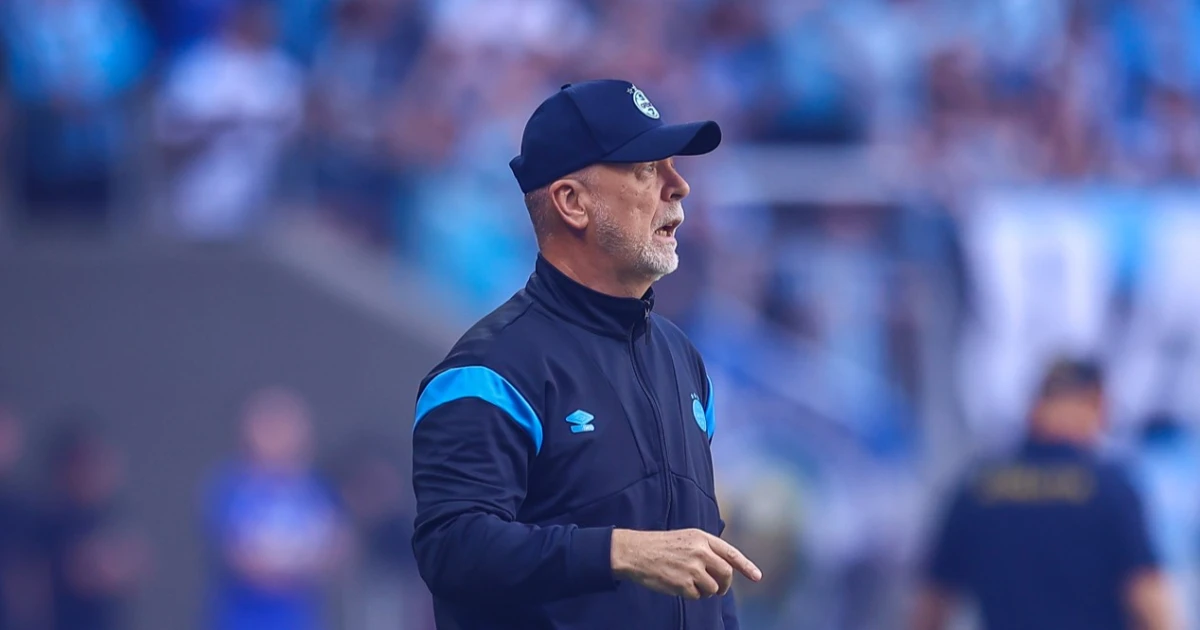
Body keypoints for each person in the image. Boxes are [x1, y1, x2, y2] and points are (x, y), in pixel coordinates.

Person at [410, 79, 762, 630]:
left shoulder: (682, 360)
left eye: (672, 166)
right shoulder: (490, 371)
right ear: (572, 203)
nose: (679, 186)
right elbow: (452, 546)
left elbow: (704, 570)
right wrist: (618, 551)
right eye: (647, 169)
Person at [911, 358, 1177, 630]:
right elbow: (1149, 599)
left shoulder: (978, 486)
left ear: (1036, 405)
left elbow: (931, 605)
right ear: (1097, 402)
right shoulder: (1109, 487)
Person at [202, 387, 348, 630]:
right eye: (271, 427)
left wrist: (283, 561)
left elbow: (339, 552)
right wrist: (304, 560)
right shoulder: (229, 486)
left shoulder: (317, 489)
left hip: (302, 621)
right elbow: (244, 561)